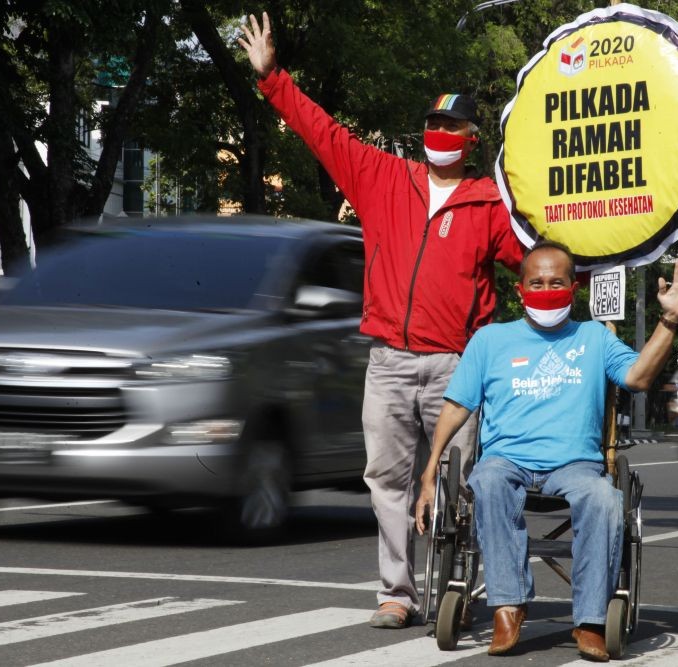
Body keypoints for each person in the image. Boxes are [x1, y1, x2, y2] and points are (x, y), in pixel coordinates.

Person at [238, 13, 523, 629]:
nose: (439, 131)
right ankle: (396, 592)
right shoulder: (383, 178)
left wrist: (588, 266)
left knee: (457, 480)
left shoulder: (491, 204)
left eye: (451, 125)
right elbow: (322, 133)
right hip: (390, 361)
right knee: (387, 481)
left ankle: (455, 577)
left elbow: (537, 267)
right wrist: (271, 78)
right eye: (432, 123)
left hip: (458, 365)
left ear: (471, 139)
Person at [414, 241, 678, 660]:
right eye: (536, 282)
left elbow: (639, 377)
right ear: (520, 290)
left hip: (575, 465)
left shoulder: (594, 337)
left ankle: (590, 620)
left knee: (603, 499)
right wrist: (430, 472)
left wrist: (668, 321)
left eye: (557, 282)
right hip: (508, 460)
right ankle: (508, 606)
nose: (546, 288)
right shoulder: (490, 341)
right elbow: (457, 405)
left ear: (573, 289)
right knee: (486, 479)